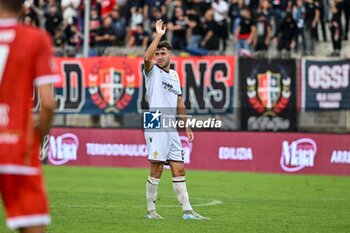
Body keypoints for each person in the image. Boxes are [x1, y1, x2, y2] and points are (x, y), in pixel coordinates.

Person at [0, 0, 58, 232]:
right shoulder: (36, 38)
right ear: (25, 9)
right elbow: (48, 103)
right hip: (16, 146)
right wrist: (37, 139)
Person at [143, 19, 208, 220]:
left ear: (170, 55)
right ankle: (151, 211)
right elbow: (146, 58)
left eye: (163, 53)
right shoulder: (151, 72)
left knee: (179, 166)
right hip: (155, 120)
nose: (159, 57)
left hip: (171, 124)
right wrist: (159, 35)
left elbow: (180, 101)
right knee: (157, 166)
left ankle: (188, 212)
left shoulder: (174, 76)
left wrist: (186, 125)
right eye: (158, 54)